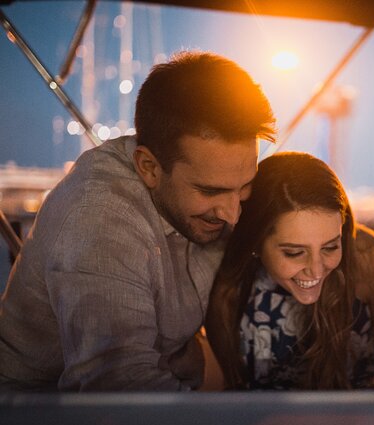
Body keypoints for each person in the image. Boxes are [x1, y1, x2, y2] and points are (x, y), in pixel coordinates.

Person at [0, 51, 276, 391]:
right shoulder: (98, 218)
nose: (232, 214)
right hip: (39, 420)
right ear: (149, 167)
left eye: (245, 186)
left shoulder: (215, 186)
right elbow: (119, 389)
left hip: (182, 368)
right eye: (209, 191)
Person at [205, 152, 374, 390]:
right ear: (256, 243)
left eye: (331, 247)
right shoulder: (225, 278)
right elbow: (231, 385)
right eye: (294, 253)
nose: (316, 269)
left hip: (355, 424)